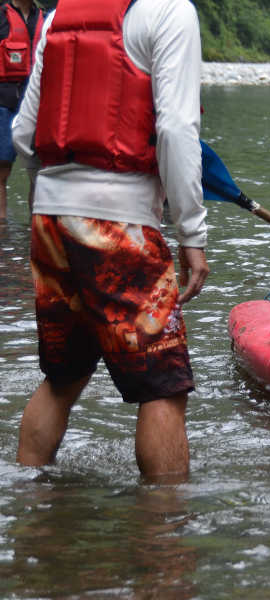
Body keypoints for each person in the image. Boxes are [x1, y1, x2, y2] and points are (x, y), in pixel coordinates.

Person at [12, 0, 208, 481]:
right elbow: (176, 129)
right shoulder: (171, 11)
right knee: (163, 384)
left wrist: (53, 196)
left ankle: (29, 499)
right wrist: (191, 232)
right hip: (119, 221)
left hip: (49, 216)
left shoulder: (60, 16)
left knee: (64, 373)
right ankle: (164, 530)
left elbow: (23, 131)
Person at [0, 0, 43, 219]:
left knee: (39, 172)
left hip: (37, 105)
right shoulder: (1, 15)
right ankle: (3, 231)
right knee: (2, 170)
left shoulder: (45, 18)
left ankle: (36, 233)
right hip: (4, 102)